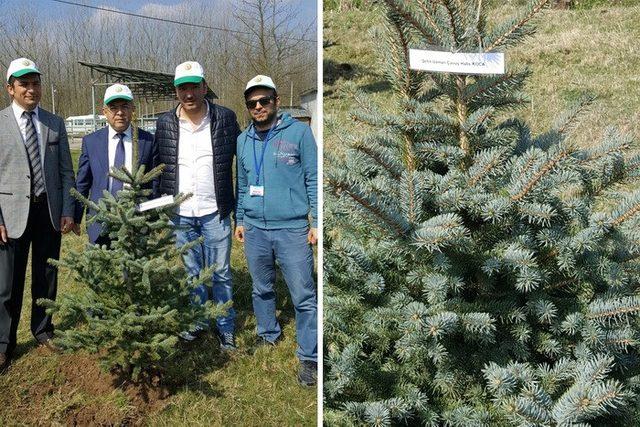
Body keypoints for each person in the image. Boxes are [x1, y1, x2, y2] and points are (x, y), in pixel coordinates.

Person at [234, 75, 318, 386]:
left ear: (276, 101)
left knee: (304, 296)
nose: (258, 106)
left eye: (264, 100)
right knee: (261, 288)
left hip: (292, 228)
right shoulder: (243, 140)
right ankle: (268, 333)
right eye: (252, 103)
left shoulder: (298, 133)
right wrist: (240, 220)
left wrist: (318, 222)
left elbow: (313, 177)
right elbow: (242, 185)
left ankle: (308, 356)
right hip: (255, 227)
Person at [153, 61, 240, 348]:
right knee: (192, 273)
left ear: (204, 87)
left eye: (194, 86)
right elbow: (158, 167)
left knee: (221, 272)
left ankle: (225, 324)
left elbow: (243, 159)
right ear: (176, 91)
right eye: (182, 88)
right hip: (181, 214)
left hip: (215, 211)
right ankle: (198, 320)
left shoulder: (225, 118)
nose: (188, 93)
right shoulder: (165, 123)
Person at [0, 58, 75, 371]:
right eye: (24, 84)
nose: (31, 89)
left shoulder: (54, 123)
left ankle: (43, 329)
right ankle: (4, 344)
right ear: (11, 89)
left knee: (47, 276)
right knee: (7, 284)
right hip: (10, 216)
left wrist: (68, 210)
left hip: (48, 211)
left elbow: (66, 172)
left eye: (35, 83)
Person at [73, 84, 154, 245]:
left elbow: (154, 182)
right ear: (104, 112)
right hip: (100, 220)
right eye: (113, 107)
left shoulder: (148, 141)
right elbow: (83, 182)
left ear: (133, 109)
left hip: (135, 222)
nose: (119, 112)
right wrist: (75, 216)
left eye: (125, 106)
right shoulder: (91, 142)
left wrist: (151, 216)